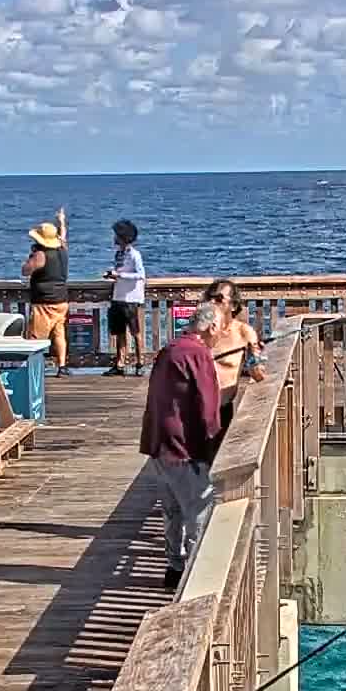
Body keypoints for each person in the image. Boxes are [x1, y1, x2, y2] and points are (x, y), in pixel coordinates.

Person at [140, 301, 223, 591]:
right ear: (212, 327)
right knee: (199, 511)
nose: (221, 334)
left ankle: (174, 568)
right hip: (184, 448)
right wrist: (213, 448)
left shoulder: (170, 350)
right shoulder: (199, 355)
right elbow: (208, 406)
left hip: (158, 443)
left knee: (172, 511)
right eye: (220, 328)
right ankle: (195, 576)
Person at [200, 279, 266, 437]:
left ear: (234, 306)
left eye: (218, 299)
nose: (212, 302)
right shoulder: (199, 329)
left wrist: (252, 358)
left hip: (221, 410)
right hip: (193, 407)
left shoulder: (244, 332)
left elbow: (258, 375)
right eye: (209, 297)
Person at [23, 208, 71, 377]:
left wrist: (31, 257)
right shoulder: (62, 249)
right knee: (59, 333)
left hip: (44, 302)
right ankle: (62, 365)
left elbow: (26, 270)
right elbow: (63, 236)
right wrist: (61, 222)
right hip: (61, 299)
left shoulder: (41, 255)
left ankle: (35, 369)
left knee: (37, 337)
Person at [104, 220, 146, 376]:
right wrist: (112, 275)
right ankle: (120, 363)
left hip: (131, 298)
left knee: (135, 332)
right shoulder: (119, 254)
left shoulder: (135, 255)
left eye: (116, 235)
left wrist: (120, 275)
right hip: (118, 296)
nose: (114, 238)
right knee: (119, 331)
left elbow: (141, 275)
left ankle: (140, 362)